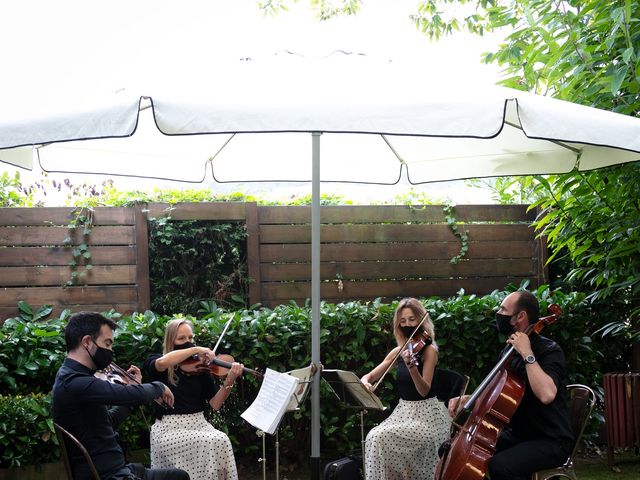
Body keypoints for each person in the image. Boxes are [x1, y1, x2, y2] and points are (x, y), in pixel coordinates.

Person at [447, 290, 573, 480]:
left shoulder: (549, 350)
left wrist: (527, 354)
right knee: (454, 450)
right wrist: (469, 399)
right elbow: (496, 394)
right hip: (520, 434)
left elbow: (547, 395)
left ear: (520, 316)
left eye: (503, 309)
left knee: (501, 466)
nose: (498, 313)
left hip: (551, 439)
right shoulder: (509, 350)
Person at [52, 311, 190, 480]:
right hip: (106, 476)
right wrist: (158, 386)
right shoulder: (74, 381)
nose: (110, 351)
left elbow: (109, 421)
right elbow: (126, 394)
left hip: (118, 469)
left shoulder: (76, 377)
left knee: (179, 476)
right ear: (87, 342)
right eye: (107, 343)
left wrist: (132, 394)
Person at [360, 297, 450, 480]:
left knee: (379, 437)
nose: (407, 324)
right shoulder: (399, 350)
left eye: (411, 319)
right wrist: (365, 381)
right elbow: (370, 375)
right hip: (404, 412)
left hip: (427, 417)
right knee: (373, 437)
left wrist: (413, 369)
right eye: (402, 321)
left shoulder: (429, 350)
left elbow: (424, 390)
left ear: (421, 320)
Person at [144, 318, 242, 480]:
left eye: (190, 338)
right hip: (169, 429)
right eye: (181, 338)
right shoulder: (157, 361)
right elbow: (162, 362)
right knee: (210, 441)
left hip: (199, 424)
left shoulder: (200, 368)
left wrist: (229, 380)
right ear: (171, 341)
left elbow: (215, 404)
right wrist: (195, 348)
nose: (187, 342)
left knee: (222, 439)